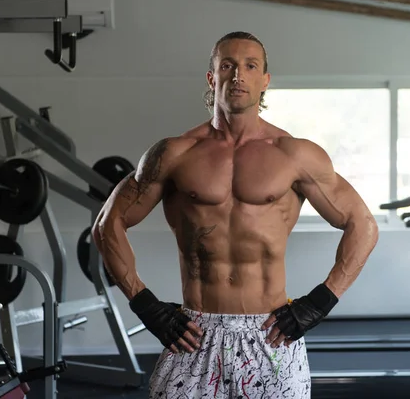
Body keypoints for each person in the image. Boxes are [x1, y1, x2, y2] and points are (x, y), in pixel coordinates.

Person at [92, 31, 379, 398]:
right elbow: (108, 223)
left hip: (272, 332)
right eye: (227, 65)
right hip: (192, 333)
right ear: (212, 77)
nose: (238, 75)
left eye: (250, 66)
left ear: (265, 81)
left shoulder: (295, 155)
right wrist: (146, 306)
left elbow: (363, 225)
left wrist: (320, 302)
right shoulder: (174, 153)